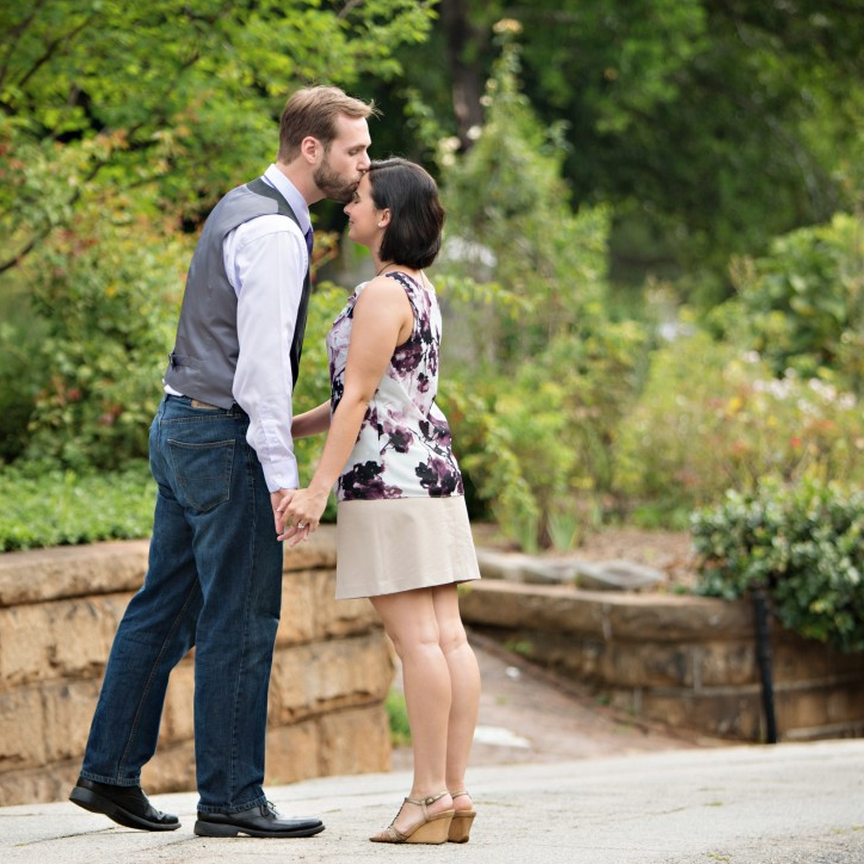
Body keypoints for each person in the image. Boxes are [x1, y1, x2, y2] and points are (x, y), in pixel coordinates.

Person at [68, 85, 375, 839]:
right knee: (240, 619)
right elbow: (262, 371)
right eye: (355, 149)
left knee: (164, 608)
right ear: (313, 149)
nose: (363, 164)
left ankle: (108, 772)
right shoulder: (274, 233)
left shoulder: (241, 203)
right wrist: (283, 479)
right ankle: (232, 798)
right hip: (222, 437)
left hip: (180, 424)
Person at [278, 157, 482, 844]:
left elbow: (361, 400)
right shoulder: (419, 290)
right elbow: (370, 394)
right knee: (446, 635)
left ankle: (427, 793)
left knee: (416, 640)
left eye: (359, 199)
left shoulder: (378, 296)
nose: (348, 208)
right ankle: (451, 794)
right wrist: (291, 425)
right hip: (430, 474)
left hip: (386, 482)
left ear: (387, 215)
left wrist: (315, 489)